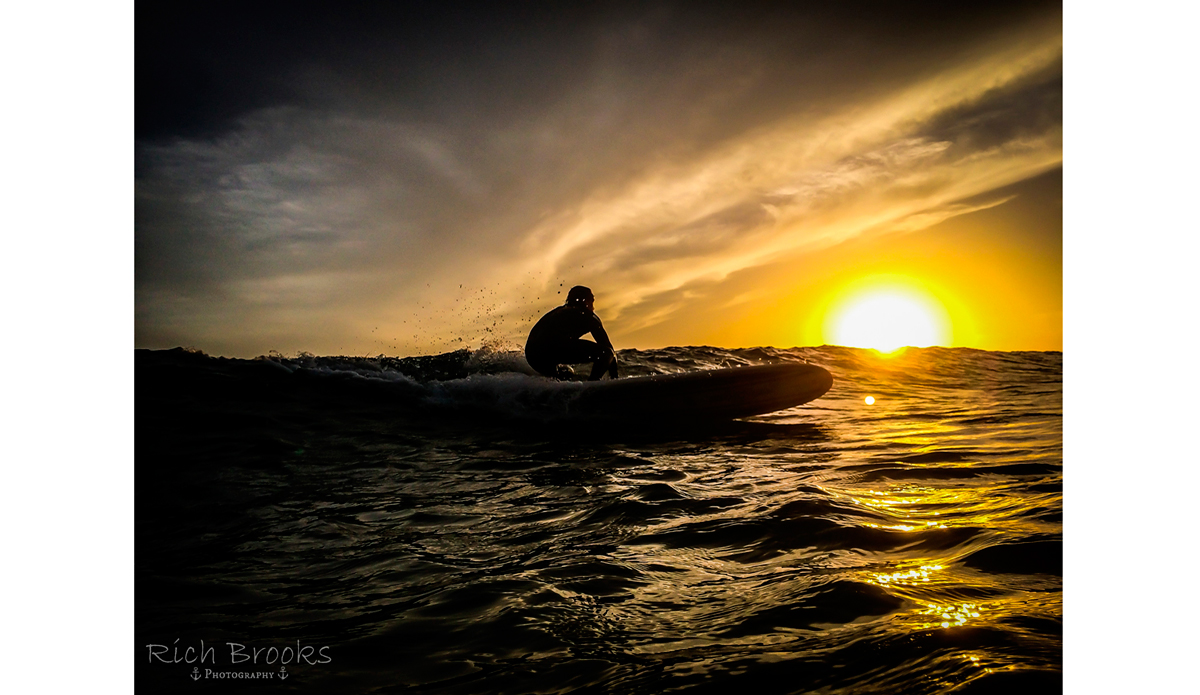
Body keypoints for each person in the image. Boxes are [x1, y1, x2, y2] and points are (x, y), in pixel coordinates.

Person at [525, 286, 619, 380]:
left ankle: (558, 381)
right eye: (592, 300)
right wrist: (615, 379)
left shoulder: (557, 312)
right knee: (606, 353)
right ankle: (592, 383)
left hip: (533, 357)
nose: (593, 306)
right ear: (586, 301)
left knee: (566, 373)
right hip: (549, 351)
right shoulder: (587, 316)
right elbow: (609, 351)